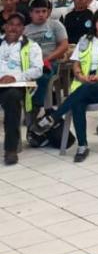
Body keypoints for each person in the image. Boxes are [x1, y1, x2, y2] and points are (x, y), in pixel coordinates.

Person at [41, 9, 98, 162]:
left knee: (83, 90)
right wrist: (80, 76)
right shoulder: (85, 39)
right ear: (94, 23)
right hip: (84, 82)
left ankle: (54, 116)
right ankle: (82, 146)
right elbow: (76, 64)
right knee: (78, 102)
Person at [1, 14, 44, 165]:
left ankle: (11, 149)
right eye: (10, 24)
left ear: (23, 29)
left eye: (18, 25)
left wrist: (15, 77)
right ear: (5, 26)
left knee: (11, 98)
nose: (13, 27)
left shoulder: (31, 46)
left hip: (16, 86)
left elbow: (38, 70)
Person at [23, 0, 69, 120]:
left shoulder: (55, 25)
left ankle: (36, 106)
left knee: (42, 74)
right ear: (30, 13)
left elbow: (64, 46)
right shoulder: (25, 30)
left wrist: (46, 59)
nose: (41, 14)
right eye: (37, 12)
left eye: (44, 11)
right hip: (30, 64)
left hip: (50, 62)